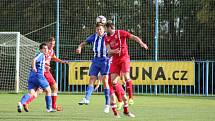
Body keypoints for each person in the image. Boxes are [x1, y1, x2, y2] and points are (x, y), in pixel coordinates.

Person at [105, 20, 148, 105]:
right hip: (115, 60)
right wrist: (113, 51)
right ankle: (120, 100)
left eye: (106, 29)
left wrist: (141, 43)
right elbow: (109, 51)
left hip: (124, 58)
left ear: (109, 27)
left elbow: (133, 37)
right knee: (113, 82)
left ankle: (131, 97)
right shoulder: (106, 38)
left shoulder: (120, 33)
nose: (105, 31)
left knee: (126, 77)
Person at [24, 37, 68, 111]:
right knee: (43, 89)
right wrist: (45, 66)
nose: (52, 45)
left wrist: (62, 61)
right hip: (42, 72)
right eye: (51, 43)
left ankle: (52, 106)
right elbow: (39, 61)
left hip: (46, 72)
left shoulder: (51, 51)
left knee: (52, 87)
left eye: (53, 44)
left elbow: (53, 58)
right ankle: (28, 103)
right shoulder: (43, 51)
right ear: (47, 43)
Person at [76, 23, 110, 113]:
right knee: (92, 79)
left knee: (105, 81)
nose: (99, 31)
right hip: (95, 60)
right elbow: (84, 43)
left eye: (100, 29)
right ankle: (87, 98)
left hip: (105, 60)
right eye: (98, 29)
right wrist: (79, 47)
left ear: (104, 30)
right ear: (96, 30)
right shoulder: (93, 36)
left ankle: (107, 104)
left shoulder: (108, 36)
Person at [17, 43, 54, 112]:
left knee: (32, 92)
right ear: (40, 50)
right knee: (48, 90)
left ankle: (21, 103)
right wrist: (34, 67)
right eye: (44, 48)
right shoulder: (41, 54)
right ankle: (49, 109)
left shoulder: (42, 56)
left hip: (32, 76)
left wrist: (45, 67)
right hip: (39, 76)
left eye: (46, 48)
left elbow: (39, 64)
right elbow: (34, 60)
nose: (46, 50)